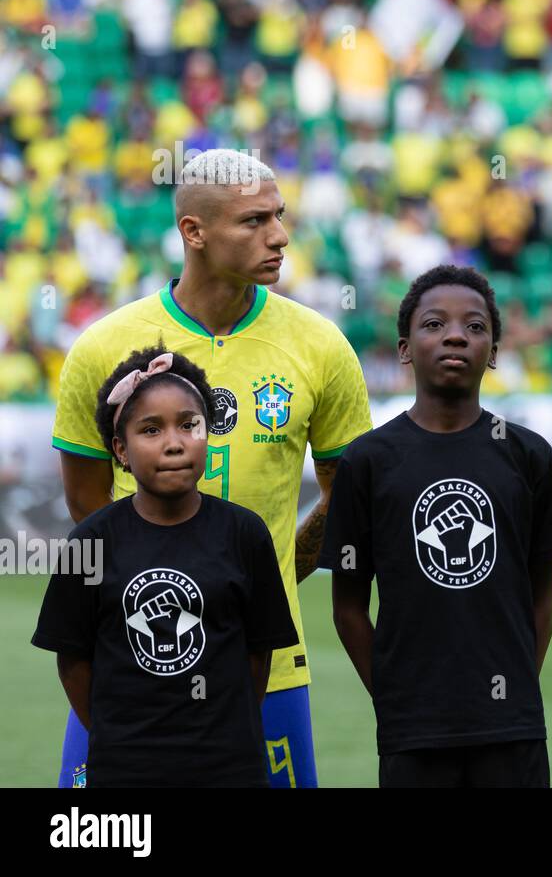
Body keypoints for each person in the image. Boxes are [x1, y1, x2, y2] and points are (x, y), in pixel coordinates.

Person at [50, 149, 372, 788]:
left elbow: (350, 498)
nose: (279, 235)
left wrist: (251, 585)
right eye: (254, 221)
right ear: (193, 232)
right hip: (130, 654)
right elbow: (89, 504)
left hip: (268, 664)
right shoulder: (104, 348)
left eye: (279, 216)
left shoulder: (320, 345)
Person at [323, 266, 552, 788]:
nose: (456, 335)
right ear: (405, 348)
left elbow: (541, 597)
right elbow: (347, 607)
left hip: (513, 727)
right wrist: (392, 695)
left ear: (495, 352)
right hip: (412, 731)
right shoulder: (368, 460)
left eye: (475, 327)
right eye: (435, 324)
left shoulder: (528, 455)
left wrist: (516, 687)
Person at [33, 347, 298, 787]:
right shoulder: (91, 541)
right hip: (125, 771)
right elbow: (73, 661)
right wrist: (118, 738)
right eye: (151, 430)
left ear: (207, 434)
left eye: (189, 425)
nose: (174, 442)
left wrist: (228, 732)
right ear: (120, 449)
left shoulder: (244, 534)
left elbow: (258, 653)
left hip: (229, 769)